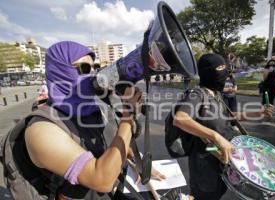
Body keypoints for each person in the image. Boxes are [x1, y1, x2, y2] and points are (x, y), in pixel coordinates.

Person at [16, 41, 164, 199]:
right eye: (85, 68)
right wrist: (128, 114)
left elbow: (112, 141)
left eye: (95, 67)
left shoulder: (93, 106)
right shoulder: (42, 129)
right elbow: (101, 179)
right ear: (60, 71)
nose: (93, 73)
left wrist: (139, 163)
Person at [171, 53, 273, 200]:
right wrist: (216, 137)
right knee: (206, 195)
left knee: (218, 192)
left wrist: (258, 112)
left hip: (221, 161)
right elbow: (180, 119)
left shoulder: (216, 95)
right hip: (204, 164)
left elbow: (230, 117)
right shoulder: (197, 94)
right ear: (208, 72)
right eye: (220, 68)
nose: (225, 73)